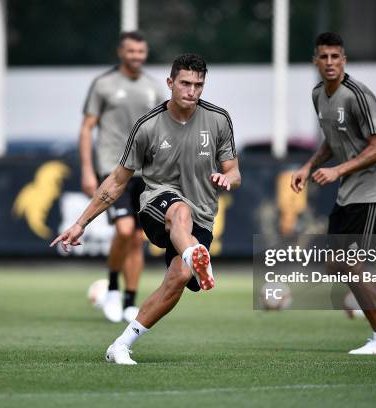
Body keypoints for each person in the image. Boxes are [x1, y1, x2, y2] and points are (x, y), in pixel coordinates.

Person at [52, 53, 240, 364]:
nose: (192, 91)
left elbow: (234, 170)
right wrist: (80, 223)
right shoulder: (148, 125)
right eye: (185, 83)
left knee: (178, 279)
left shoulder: (219, 119)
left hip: (203, 215)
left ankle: (121, 344)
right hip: (157, 205)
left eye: (198, 85)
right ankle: (194, 254)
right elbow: (115, 182)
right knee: (181, 211)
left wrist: (227, 177)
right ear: (170, 83)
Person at [291, 32, 376, 355]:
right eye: (323, 57)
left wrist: (338, 170)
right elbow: (331, 141)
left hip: (373, 191)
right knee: (336, 266)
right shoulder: (318, 95)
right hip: (349, 192)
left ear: (344, 60)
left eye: (335, 57)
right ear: (315, 61)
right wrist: (307, 167)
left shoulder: (358, 95)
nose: (329, 63)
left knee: (350, 266)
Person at [80, 31, 164, 323]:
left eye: (141, 52)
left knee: (137, 238)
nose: (136, 56)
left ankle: (130, 301)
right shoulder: (103, 85)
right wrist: (87, 169)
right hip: (112, 169)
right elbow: (87, 128)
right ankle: (113, 288)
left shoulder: (154, 88)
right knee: (125, 230)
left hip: (147, 171)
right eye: (131, 51)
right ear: (121, 52)